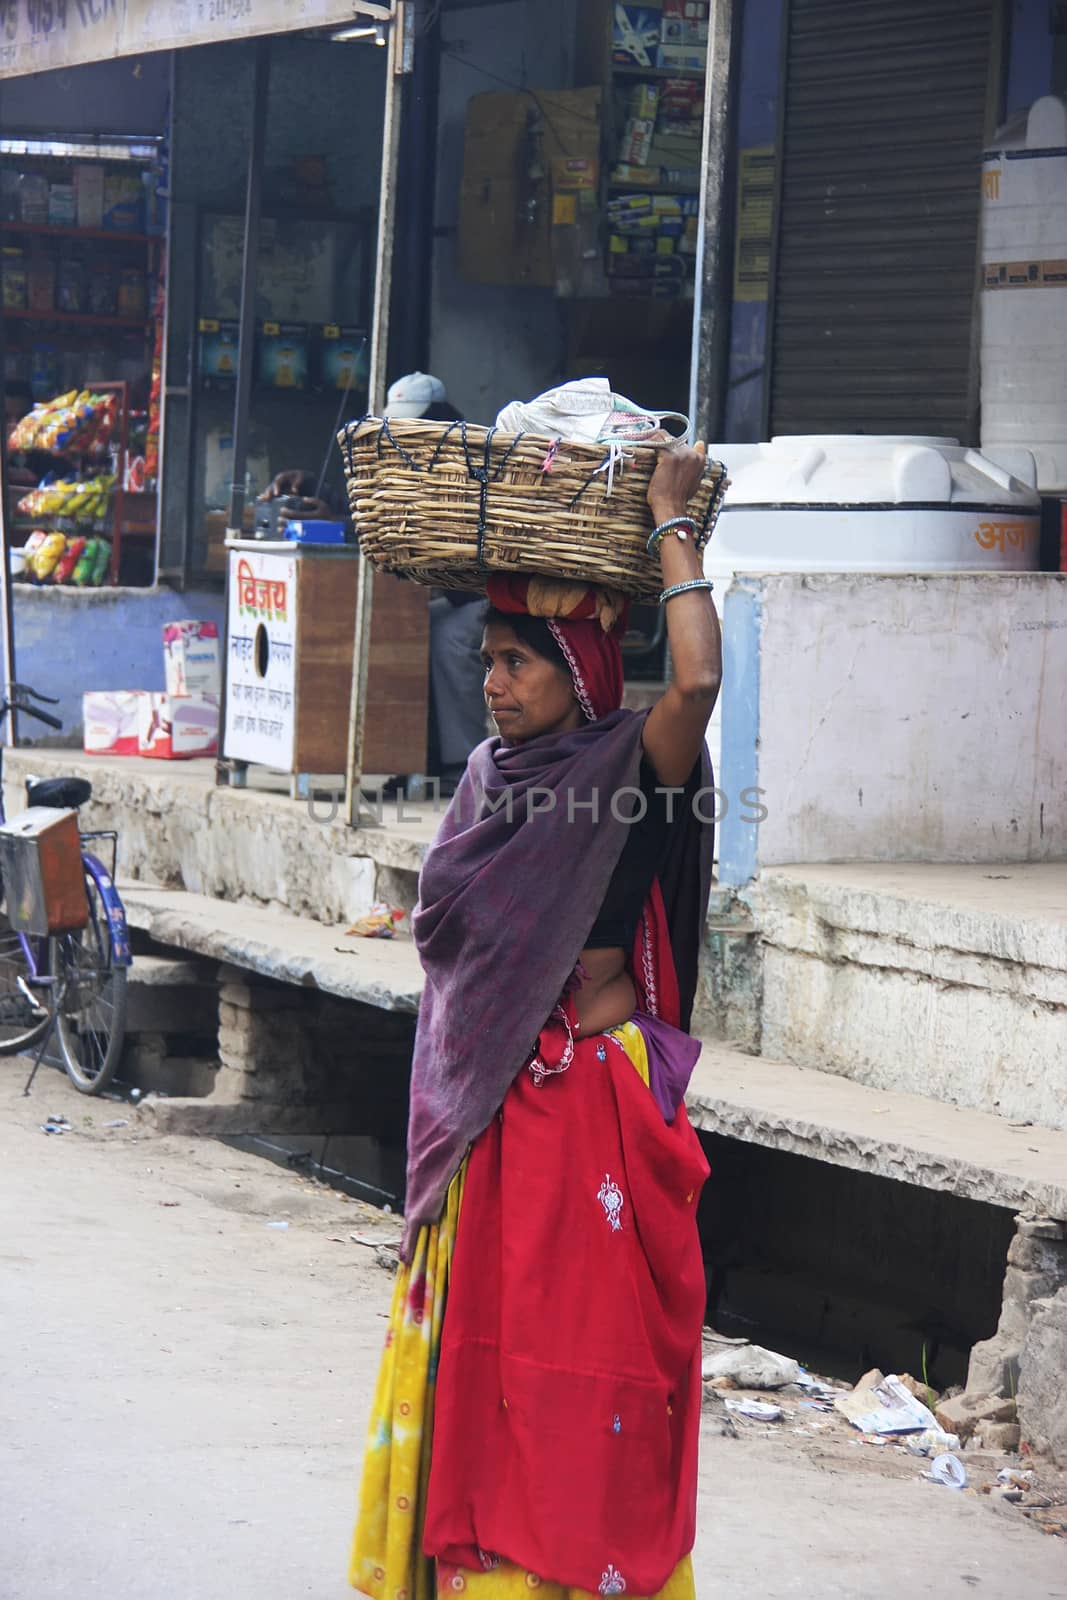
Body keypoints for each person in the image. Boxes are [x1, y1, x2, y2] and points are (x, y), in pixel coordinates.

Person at [350, 440, 720, 1599]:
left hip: (590, 1121)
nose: (494, 683)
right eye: (488, 659)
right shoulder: (484, 786)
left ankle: (583, 1571)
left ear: (580, 666)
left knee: (588, 1367)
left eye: (517, 661)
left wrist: (670, 523)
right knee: (491, 1360)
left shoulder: (630, 764)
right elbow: (461, 981)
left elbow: (698, 682)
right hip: (495, 1124)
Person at [383, 373, 487, 797]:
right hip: (450, 590)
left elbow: (476, 554)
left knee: (449, 636)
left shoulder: (470, 462)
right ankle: (411, 756)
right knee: (402, 631)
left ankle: (462, 762)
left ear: (442, 418)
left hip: (488, 591)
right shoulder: (404, 463)